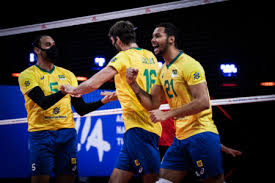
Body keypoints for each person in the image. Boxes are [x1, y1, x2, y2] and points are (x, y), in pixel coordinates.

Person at [60, 20, 162, 183]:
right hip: (146, 126)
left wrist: (73, 90)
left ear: (118, 40)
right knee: (116, 179)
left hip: (139, 127)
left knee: (153, 178)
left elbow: (94, 83)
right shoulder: (149, 56)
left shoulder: (122, 57)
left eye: (113, 41)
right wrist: (119, 93)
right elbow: (145, 85)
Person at [126, 23, 226, 183]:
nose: (152, 40)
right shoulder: (163, 71)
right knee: (162, 180)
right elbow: (152, 104)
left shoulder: (189, 64)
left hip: (200, 134)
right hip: (180, 139)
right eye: (152, 36)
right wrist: (133, 84)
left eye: (157, 36)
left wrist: (167, 114)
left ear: (171, 39)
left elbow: (202, 102)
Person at [18, 35, 116, 183]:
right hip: (42, 134)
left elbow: (81, 109)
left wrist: (103, 101)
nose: (53, 48)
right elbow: (43, 102)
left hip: (67, 134)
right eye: (48, 45)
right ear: (38, 50)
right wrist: (63, 92)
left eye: (54, 44)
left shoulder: (67, 74)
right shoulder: (27, 75)